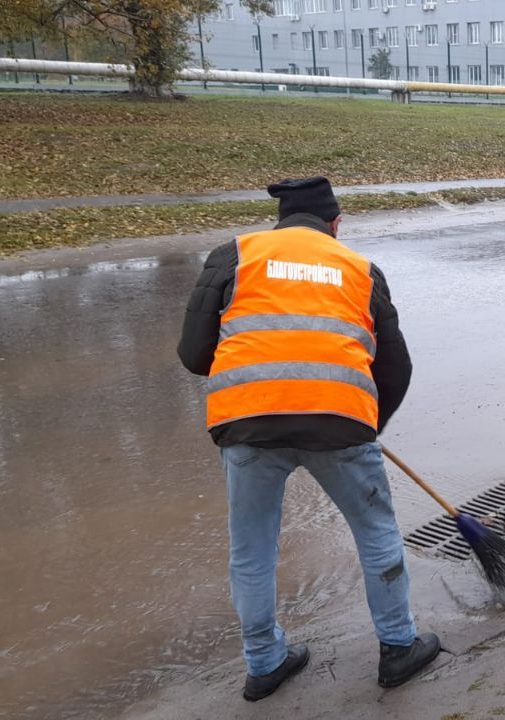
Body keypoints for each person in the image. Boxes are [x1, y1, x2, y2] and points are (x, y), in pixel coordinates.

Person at [177, 176, 440, 701]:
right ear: (335, 224)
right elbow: (397, 367)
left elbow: (193, 354)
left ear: (279, 221)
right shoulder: (360, 269)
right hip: (339, 424)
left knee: (252, 549)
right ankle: (397, 648)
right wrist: (367, 424)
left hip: (246, 422)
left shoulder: (234, 255)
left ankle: (265, 663)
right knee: (376, 532)